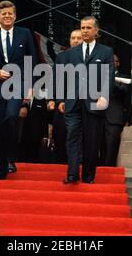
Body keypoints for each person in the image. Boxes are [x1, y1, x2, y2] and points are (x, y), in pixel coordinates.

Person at [0, 0, 38, 180]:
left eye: (10, 13)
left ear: (15, 16)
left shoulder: (24, 34)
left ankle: (10, 156)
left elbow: (32, 60)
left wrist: (30, 86)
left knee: (12, 116)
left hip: (17, 84)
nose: (7, 16)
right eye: (4, 14)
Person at [58, 16, 114, 184]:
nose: (84, 31)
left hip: (94, 101)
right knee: (72, 136)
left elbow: (108, 76)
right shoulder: (70, 53)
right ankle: (72, 174)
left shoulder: (105, 52)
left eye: (88, 28)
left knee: (92, 140)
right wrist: (60, 98)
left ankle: (88, 176)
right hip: (73, 102)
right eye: (82, 27)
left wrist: (104, 96)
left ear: (96, 31)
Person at [48, 29, 83, 163]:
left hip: (82, 102)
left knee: (80, 135)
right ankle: (60, 163)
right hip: (63, 102)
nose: (75, 40)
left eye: (78, 38)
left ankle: (78, 163)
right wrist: (51, 98)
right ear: (69, 40)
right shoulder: (62, 57)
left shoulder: (90, 56)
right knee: (60, 133)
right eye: (73, 38)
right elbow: (55, 79)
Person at [100, 55, 130, 166]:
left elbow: (123, 90)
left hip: (114, 117)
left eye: (114, 61)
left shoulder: (124, 78)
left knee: (111, 146)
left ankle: (108, 172)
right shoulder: (99, 77)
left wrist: (110, 79)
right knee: (98, 146)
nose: (111, 63)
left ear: (118, 64)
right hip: (98, 115)